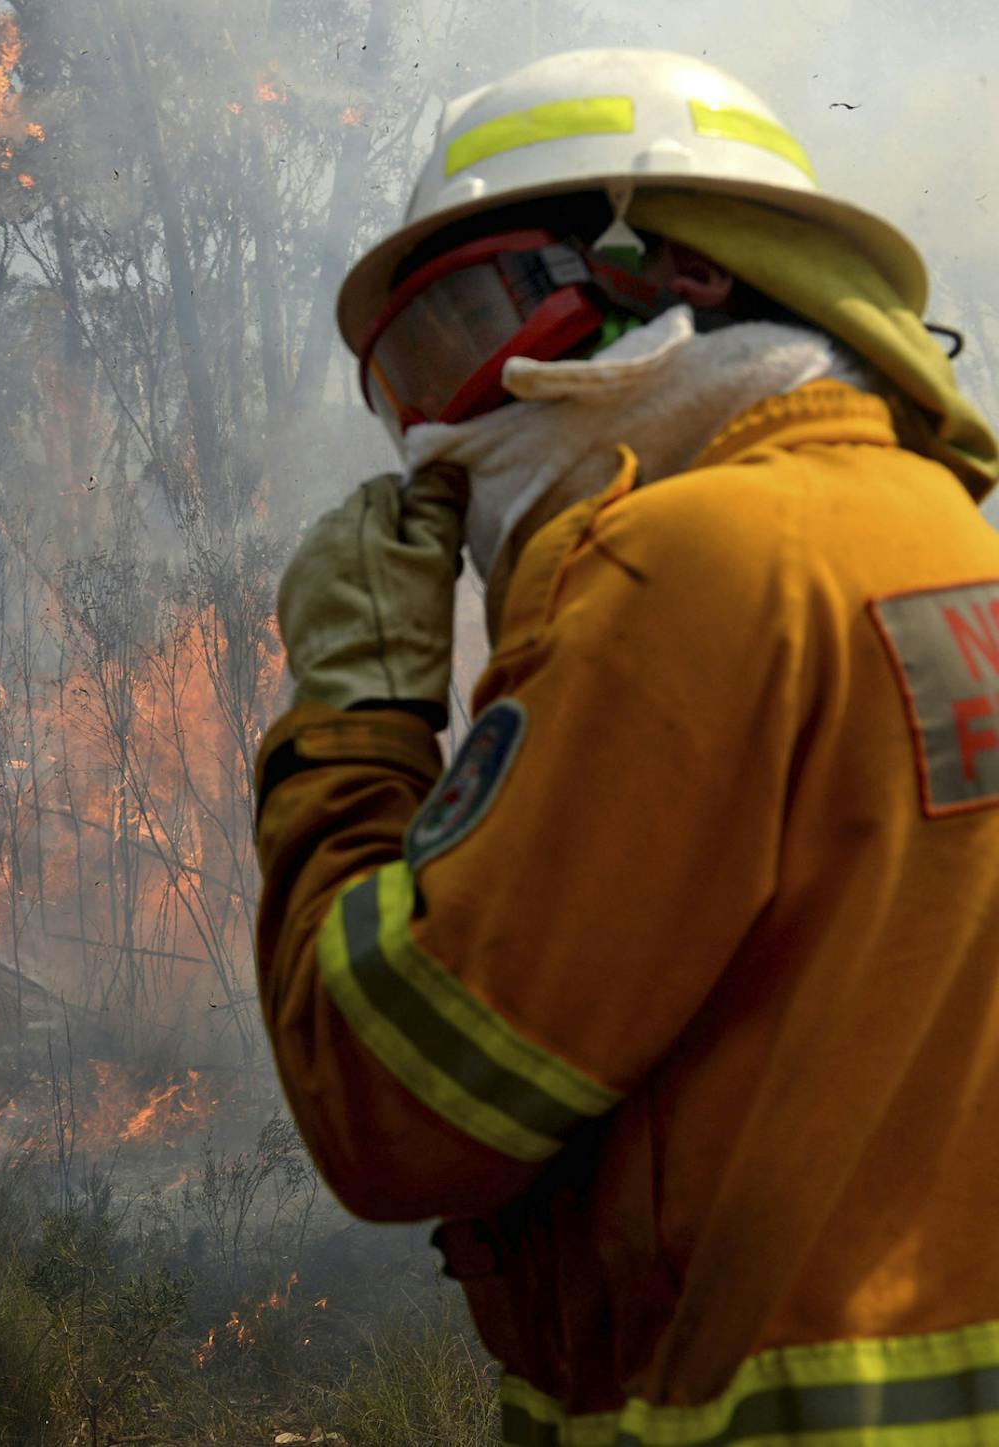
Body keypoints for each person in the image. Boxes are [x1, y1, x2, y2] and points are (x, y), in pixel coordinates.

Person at [254, 48, 999, 1442]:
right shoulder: (938, 532)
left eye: (467, 325)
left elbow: (391, 1100)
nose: (443, 424)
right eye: (402, 379)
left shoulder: (684, 565)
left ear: (682, 276)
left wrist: (356, 716)